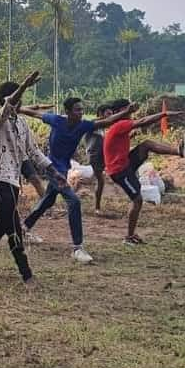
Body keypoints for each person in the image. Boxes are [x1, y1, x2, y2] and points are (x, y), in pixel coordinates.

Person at [0, 72, 68, 289]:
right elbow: (8, 106)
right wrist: (24, 84)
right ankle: (26, 274)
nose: (19, 103)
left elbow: (33, 152)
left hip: (14, 181)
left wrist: (53, 171)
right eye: (15, 99)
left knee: (0, 225)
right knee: (13, 226)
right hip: (0, 180)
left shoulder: (22, 124)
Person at [19, 97, 134, 263]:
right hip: (51, 167)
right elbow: (34, 113)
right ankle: (77, 248)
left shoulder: (83, 125)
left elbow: (107, 121)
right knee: (74, 201)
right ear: (68, 112)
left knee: (48, 200)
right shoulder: (56, 120)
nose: (80, 113)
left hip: (64, 168)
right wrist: (15, 108)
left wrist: (127, 112)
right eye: (77, 110)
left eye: (82, 110)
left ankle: (24, 227)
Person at [102, 99, 185, 246]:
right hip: (119, 171)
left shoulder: (118, 126)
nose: (130, 112)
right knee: (137, 200)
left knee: (146, 145)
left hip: (125, 163)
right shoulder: (119, 124)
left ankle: (180, 151)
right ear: (118, 112)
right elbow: (142, 121)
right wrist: (164, 114)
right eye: (127, 109)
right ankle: (129, 237)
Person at [85, 104, 112, 217]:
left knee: (100, 181)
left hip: (100, 156)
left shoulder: (103, 129)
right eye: (108, 114)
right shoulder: (94, 124)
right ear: (101, 114)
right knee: (100, 180)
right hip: (94, 156)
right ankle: (97, 207)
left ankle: (97, 206)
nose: (111, 116)